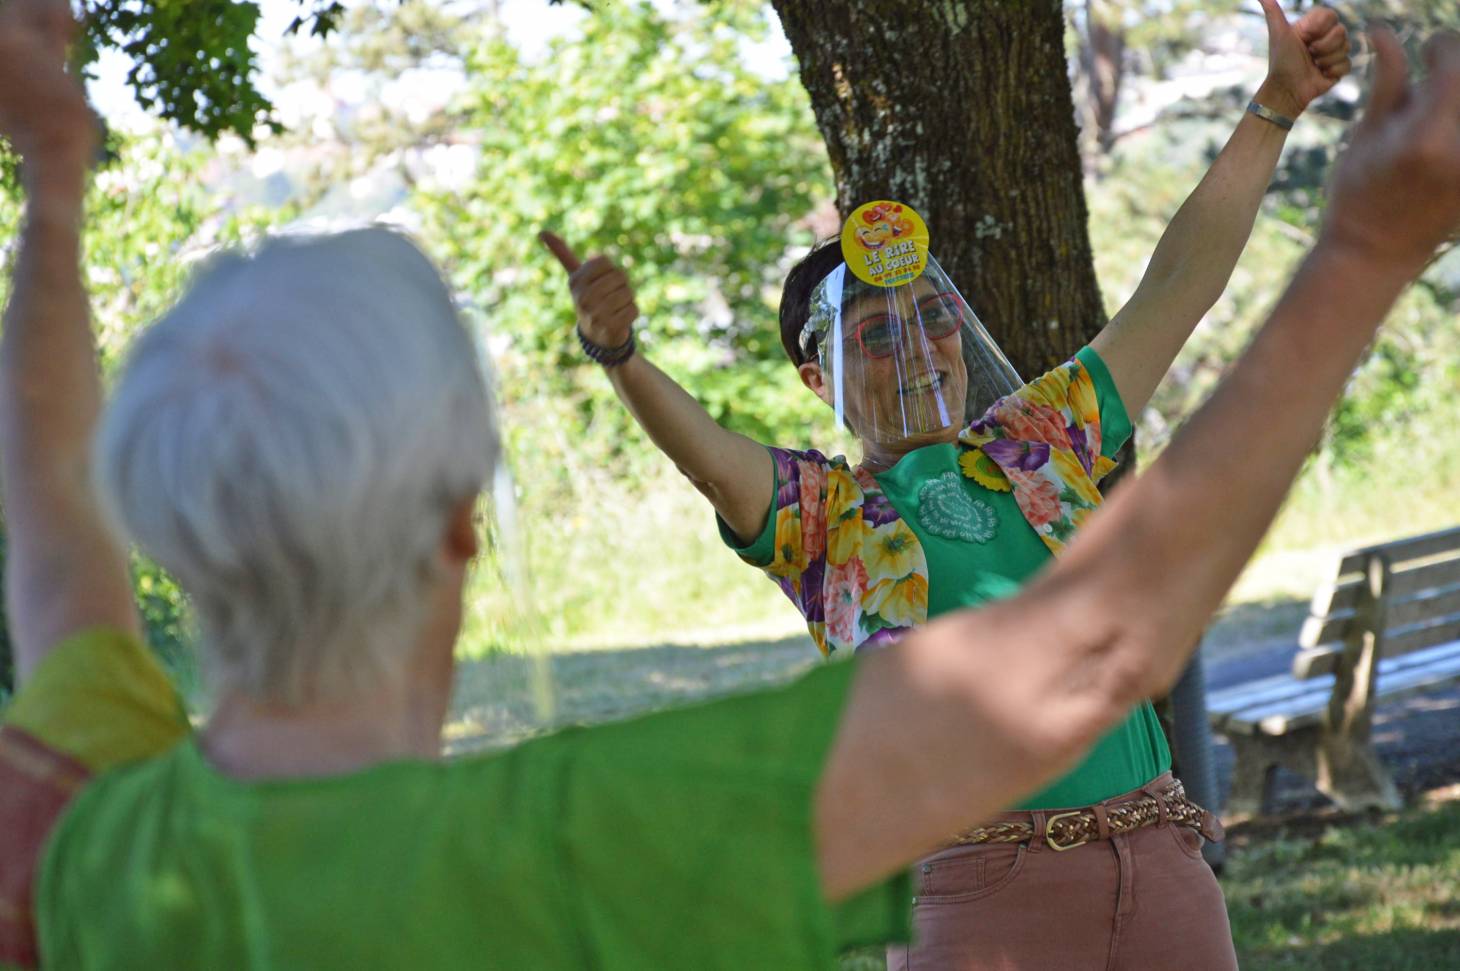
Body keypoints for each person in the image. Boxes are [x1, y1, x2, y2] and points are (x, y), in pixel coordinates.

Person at [2, 0, 1457, 965]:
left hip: (1164, 872)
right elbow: (1093, 641)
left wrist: (56, 178)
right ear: (458, 521)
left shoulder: (86, 843)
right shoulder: (579, 836)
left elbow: (54, 539)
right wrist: (1366, 249)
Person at [543, 3, 1354, 966]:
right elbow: (706, 455)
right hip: (977, 896)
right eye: (876, 335)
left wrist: (1272, 105)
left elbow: (1179, 283)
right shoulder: (822, 517)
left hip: (1160, 856)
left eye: (931, 317)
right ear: (818, 379)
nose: (921, 348)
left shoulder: (1040, 438)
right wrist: (621, 353)